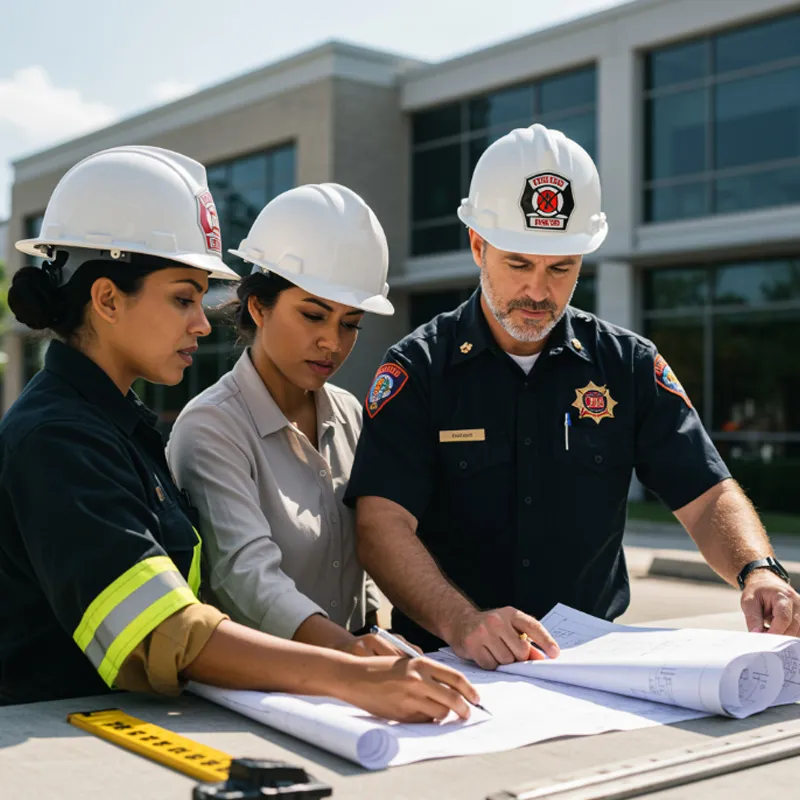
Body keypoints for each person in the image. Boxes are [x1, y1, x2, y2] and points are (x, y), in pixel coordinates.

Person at [0, 145, 480, 723]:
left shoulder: (114, 426)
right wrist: (353, 672)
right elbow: (165, 629)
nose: (203, 323)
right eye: (183, 298)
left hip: (115, 732)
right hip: (62, 751)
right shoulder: (57, 439)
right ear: (106, 298)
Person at [345, 123, 800, 668]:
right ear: (477, 246)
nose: (539, 290)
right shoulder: (418, 368)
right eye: (519, 264)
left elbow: (706, 497)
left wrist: (758, 571)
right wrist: (462, 622)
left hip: (591, 669)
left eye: (561, 268)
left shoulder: (627, 366)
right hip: (449, 666)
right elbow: (380, 527)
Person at [167, 183, 412, 657]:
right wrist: (352, 660)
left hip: (350, 686)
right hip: (253, 703)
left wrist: (379, 632)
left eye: (350, 323)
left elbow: (369, 553)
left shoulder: (349, 413)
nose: (332, 343)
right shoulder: (211, 429)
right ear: (259, 307)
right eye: (313, 315)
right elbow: (247, 577)